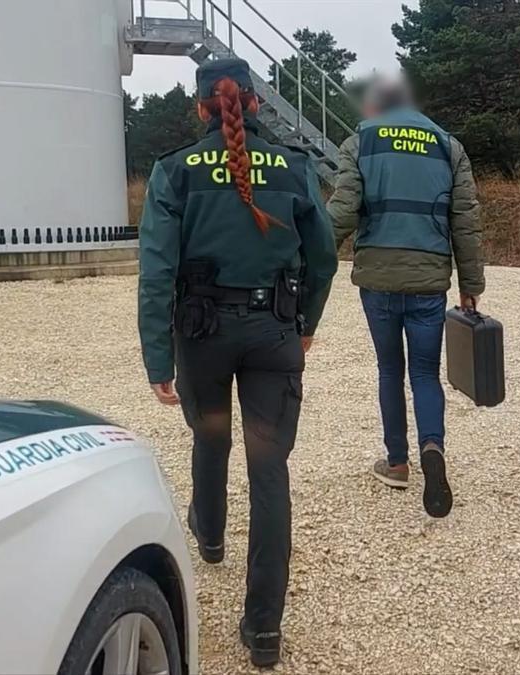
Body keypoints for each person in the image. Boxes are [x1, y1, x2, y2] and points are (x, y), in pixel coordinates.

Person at [137, 58, 338, 668]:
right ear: (254, 104)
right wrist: (304, 325)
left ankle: (212, 536)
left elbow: (157, 272)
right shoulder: (298, 167)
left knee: (210, 433)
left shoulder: (173, 170)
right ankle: (264, 629)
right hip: (273, 328)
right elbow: (324, 258)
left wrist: (158, 355)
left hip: (202, 332)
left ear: (202, 108)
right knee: (270, 470)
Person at [326, 76, 485, 519]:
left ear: (376, 106)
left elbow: (342, 212)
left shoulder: (360, 141)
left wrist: (309, 255)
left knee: (389, 369)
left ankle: (397, 463)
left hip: (377, 277)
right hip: (429, 279)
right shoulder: (448, 145)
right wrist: (471, 284)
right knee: (424, 372)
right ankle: (432, 445)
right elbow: (466, 222)